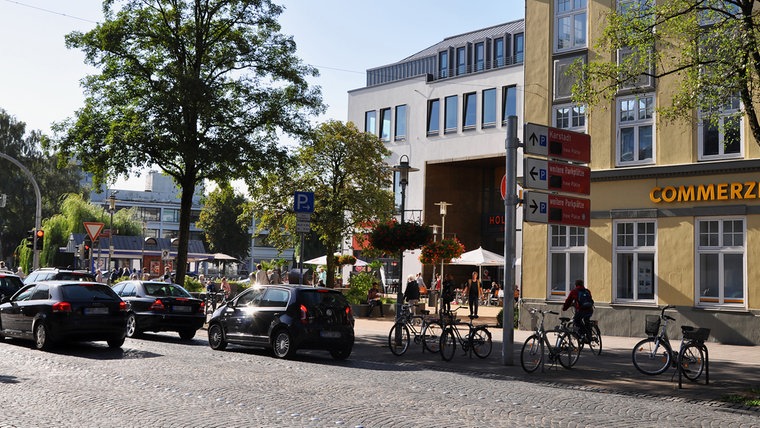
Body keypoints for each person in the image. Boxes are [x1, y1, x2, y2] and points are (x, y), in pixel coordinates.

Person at [562, 278, 594, 343]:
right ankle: (589, 336)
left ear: (575, 285)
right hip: (590, 310)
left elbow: (568, 301)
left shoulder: (574, 292)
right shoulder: (587, 291)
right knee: (586, 321)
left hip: (581, 310)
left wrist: (564, 308)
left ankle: (582, 336)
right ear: (582, 284)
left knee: (576, 321)